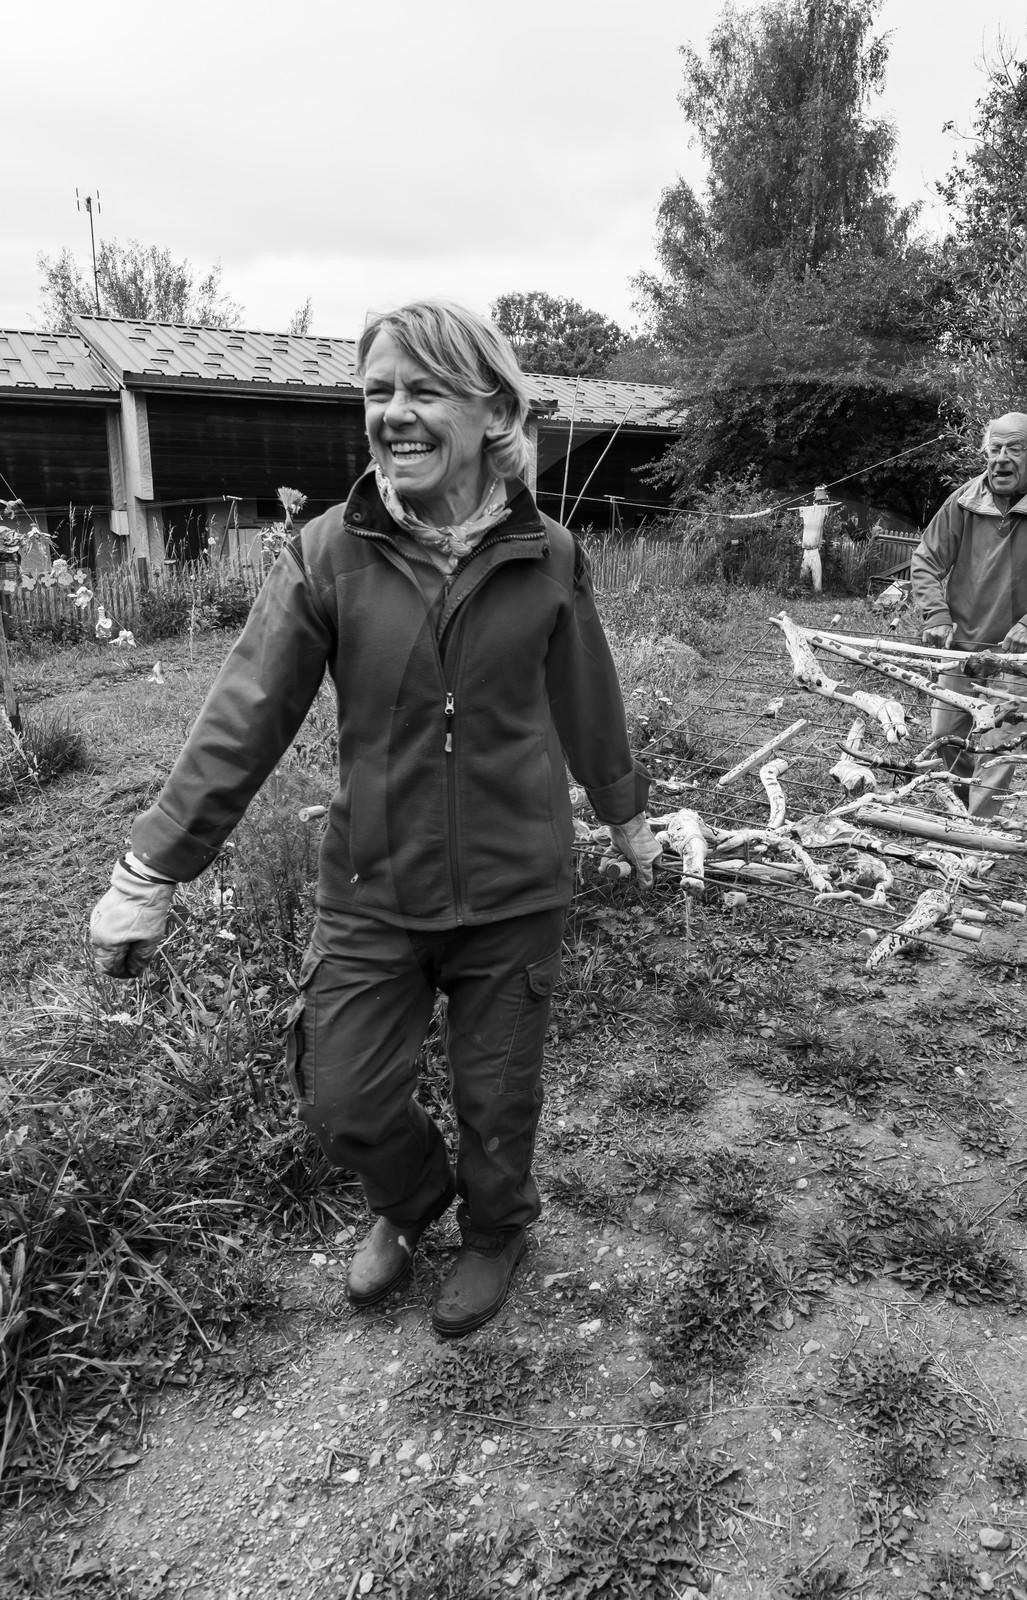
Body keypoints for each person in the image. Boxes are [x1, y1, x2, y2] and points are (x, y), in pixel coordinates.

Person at [87, 300, 662, 1338]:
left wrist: (625, 817)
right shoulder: (327, 553)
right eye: (377, 392)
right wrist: (151, 870)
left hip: (513, 889)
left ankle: (496, 1231)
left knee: (499, 1098)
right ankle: (411, 1199)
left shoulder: (550, 553)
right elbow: (245, 717)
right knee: (344, 1096)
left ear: (490, 411)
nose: (392, 414)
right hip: (371, 888)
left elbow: (589, 698)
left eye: (421, 390)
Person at [909, 413, 1027, 817]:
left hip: (1020, 655)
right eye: (994, 449)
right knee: (946, 736)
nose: (1001, 458)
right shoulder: (965, 498)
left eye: (1013, 449)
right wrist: (936, 615)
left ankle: (978, 832)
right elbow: (926, 558)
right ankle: (961, 812)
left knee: (998, 746)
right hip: (963, 646)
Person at [797, 485, 833, 592]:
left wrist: (824, 494)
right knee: (802, 576)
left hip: (814, 549)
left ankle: (817, 595)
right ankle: (802, 593)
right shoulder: (807, 511)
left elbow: (829, 510)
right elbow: (798, 519)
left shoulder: (821, 511)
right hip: (806, 550)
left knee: (817, 577)